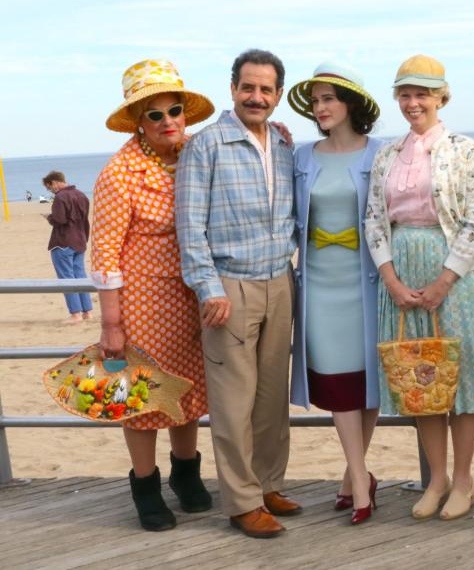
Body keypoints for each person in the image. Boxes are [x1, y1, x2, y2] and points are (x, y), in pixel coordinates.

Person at [176, 49, 300, 539]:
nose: (256, 97)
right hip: (229, 287)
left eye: (266, 89)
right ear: (232, 89)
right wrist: (209, 288)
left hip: (279, 281)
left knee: (271, 399)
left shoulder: (285, 145)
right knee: (232, 401)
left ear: (278, 95)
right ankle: (242, 502)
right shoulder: (206, 145)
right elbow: (190, 227)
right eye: (248, 87)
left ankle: (268, 484)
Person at [90, 59, 215, 531]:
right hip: (140, 305)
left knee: (186, 393)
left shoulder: (195, 156)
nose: (168, 121)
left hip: (189, 300)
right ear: (139, 121)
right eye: (155, 114)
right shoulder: (120, 173)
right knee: (140, 399)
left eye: (175, 110)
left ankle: (187, 475)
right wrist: (111, 324)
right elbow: (103, 251)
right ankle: (146, 486)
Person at [365, 55, 474, 521]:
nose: (413, 102)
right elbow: (374, 220)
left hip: (453, 274)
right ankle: (436, 478)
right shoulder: (386, 155)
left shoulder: (463, 149)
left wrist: (445, 278)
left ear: (441, 97)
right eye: (405, 93)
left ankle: (464, 480)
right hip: (401, 270)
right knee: (420, 376)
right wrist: (391, 278)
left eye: (421, 93)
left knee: (460, 375)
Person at [287, 61, 384, 525]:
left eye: (329, 98)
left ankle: (354, 476)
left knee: (367, 385)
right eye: (316, 100)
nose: (321, 107)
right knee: (339, 385)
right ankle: (362, 480)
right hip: (320, 286)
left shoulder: (381, 152)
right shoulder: (302, 156)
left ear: (350, 104)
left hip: (367, 282)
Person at [42, 171, 94, 323]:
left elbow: (60, 219)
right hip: (80, 240)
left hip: (64, 241)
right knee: (80, 276)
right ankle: (87, 311)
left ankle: (75, 314)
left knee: (66, 278)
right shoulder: (81, 195)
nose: (50, 190)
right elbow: (83, 219)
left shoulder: (60, 197)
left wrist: (49, 218)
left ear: (55, 182)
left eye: (49, 186)